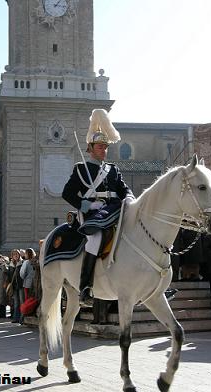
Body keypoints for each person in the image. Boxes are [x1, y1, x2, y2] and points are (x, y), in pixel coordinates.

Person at [62, 109, 135, 307]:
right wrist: (86, 205)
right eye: (100, 146)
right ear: (90, 148)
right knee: (96, 239)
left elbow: (123, 188)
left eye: (105, 146)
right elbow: (67, 193)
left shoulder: (112, 169)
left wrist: (129, 198)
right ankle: (85, 287)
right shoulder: (81, 169)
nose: (104, 150)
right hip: (93, 213)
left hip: (115, 209)